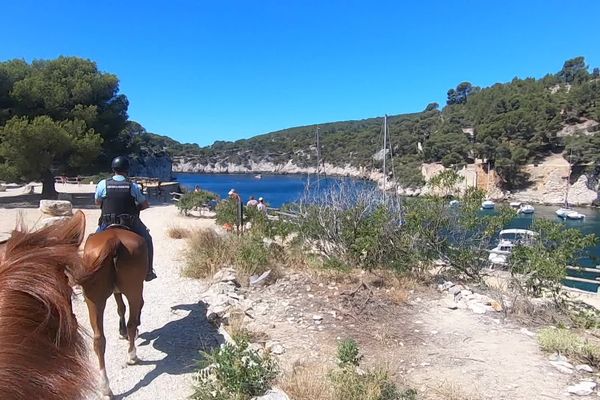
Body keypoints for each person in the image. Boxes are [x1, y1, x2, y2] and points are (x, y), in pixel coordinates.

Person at [95, 156, 157, 281]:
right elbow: (145, 204)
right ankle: (149, 271)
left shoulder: (103, 184)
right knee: (147, 239)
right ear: (127, 169)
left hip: (107, 222)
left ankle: (87, 269)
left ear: (113, 169)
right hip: (130, 222)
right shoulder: (133, 186)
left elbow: (97, 202)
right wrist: (135, 209)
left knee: (92, 241)